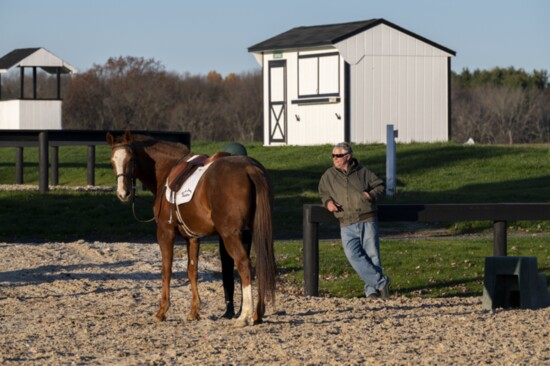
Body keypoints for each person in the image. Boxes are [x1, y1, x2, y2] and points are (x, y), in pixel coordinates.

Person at [318, 142, 390, 299]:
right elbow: (323, 192)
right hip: (346, 222)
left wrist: (370, 195)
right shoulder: (328, 175)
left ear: (347, 157)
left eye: (337, 156)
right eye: (333, 156)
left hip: (367, 218)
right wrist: (328, 202)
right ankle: (381, 282)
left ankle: (372, 291)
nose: (334, 159)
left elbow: (381, 187)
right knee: (352, 255)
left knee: (372, 256)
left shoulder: (364, 172)